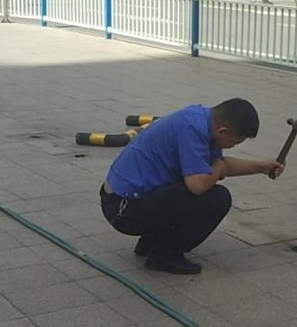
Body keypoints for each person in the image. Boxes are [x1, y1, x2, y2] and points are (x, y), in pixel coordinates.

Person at [99, 98, 284, 274]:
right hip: (123, 210)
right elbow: (198, 184)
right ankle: (164, 255)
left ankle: (151, 242)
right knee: (216, 198)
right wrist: (219, 168)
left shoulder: (202, 120)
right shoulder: (193, 130)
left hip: (125, 200)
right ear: (223, 131)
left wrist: (262, 167)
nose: (233, 146)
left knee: (190, 186)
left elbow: (217, 165)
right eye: (235, 142)